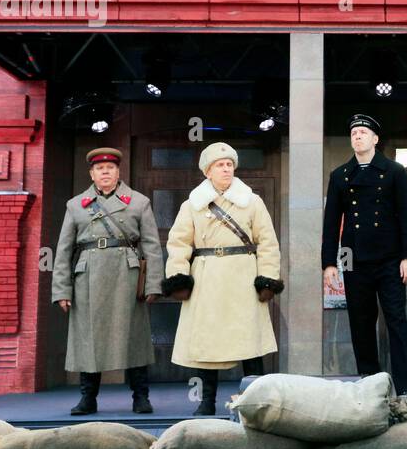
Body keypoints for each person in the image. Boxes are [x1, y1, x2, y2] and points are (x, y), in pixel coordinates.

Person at [162, 141, 282, 415]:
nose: (226, 169)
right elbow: (179, 242)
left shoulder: (252, 201)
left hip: (243, 276)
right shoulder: (192, 204)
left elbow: (268, 243)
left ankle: (255, 403)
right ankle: (206, 402)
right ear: (208, 171)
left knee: (250, 341)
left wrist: (267, 278)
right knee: (207, 342)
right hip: (207, 278)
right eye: (220, 165)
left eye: (229, 164)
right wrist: (178, 276)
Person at [51, 148, 165, 415]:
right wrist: (61, 290)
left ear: (118, 172)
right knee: (88, 339)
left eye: (110, 168)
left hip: (127, 275)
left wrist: (153, 284)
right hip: (88, 276)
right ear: (91, 174)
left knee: (134, 337)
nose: (105, 173)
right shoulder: (75, 205)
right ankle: (88, 398)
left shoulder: (138, 202)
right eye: (100, 169)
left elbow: (152, 247)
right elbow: (64, 251)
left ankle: (141, 397)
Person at [321, 114, 407, 395]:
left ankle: (405, 390)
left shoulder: (394, 171)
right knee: (360, 323)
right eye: (354, 133)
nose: (358, 136)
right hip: (353, 258)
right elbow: (331, 223)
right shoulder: (340, 175)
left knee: (396, 321)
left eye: (363, 132)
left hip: (390, 258)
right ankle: (371, 386)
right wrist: (329, 263)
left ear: (375, 139)